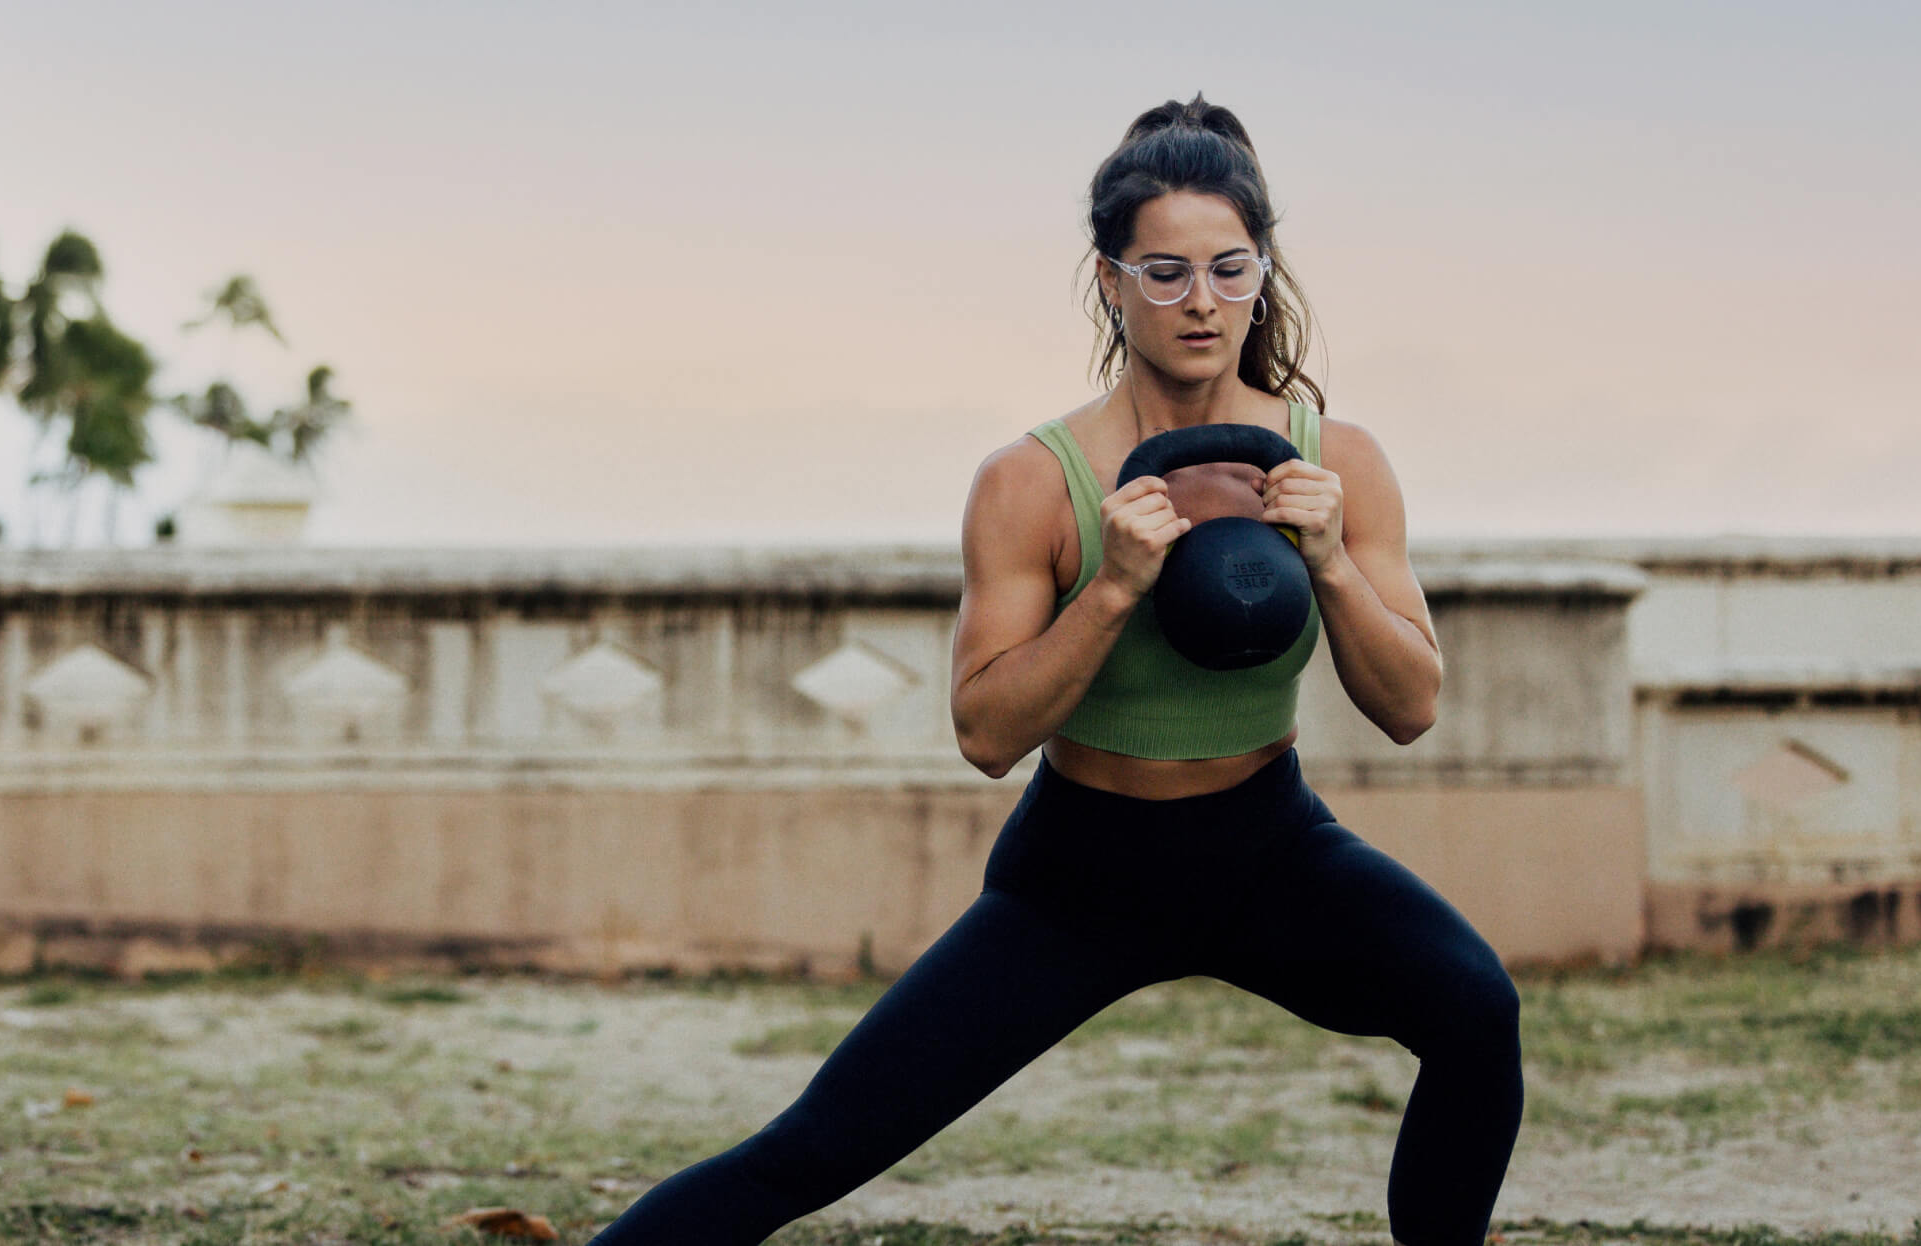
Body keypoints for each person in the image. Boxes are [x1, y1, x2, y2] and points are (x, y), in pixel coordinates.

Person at [582, 95, 1523, 1246]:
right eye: (1165, 272)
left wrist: (1328, 560)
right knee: (812, 1149)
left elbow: (1412, 707)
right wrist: (1114, 586)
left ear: (1264, 272)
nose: (1201, 303)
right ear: (1111, 279)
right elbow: (985, 733)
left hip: (1270, 848)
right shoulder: (1033, 480)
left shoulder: (1338, 463)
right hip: (1083, 871)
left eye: (1230, 269)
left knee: (1478, 1011)